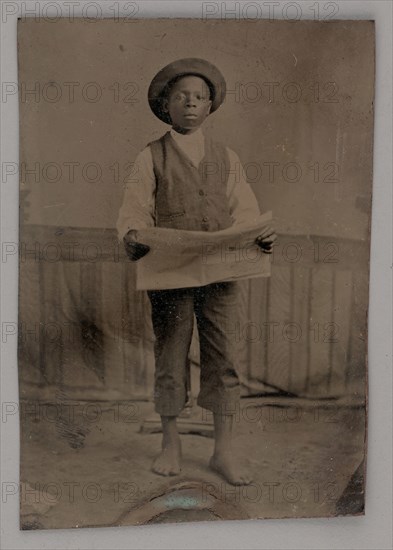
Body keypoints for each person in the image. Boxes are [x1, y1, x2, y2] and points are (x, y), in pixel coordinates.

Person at [117, 58, 276, 485]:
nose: (191, 103)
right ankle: (171, 442)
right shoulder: (151, 156)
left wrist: (259, 235)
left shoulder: (227, 157)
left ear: (210, 107)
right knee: (170, 354)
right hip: (171, 272)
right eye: (182, 96)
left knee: (223, 356)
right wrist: (132, 233)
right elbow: (134, 208)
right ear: (165, 105)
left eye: (200, 97)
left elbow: (244, 210)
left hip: (221, 273)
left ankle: (223, 451)